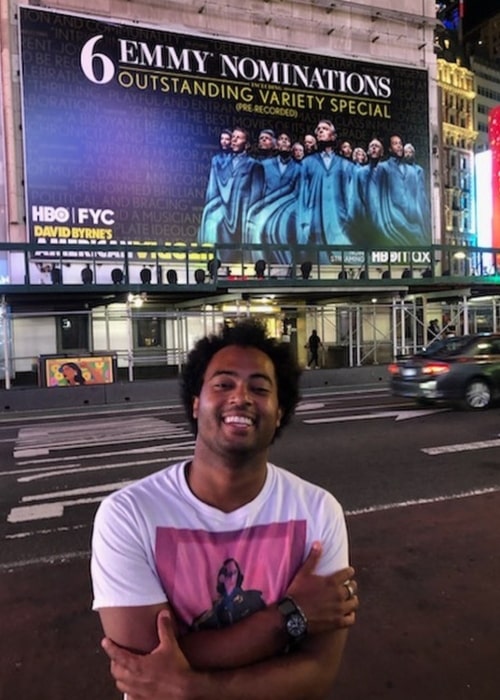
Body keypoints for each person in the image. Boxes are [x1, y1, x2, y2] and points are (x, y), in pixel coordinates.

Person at [91, 319, 358, 700]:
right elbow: (145, 663)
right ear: (196, 403)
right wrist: (291, 616)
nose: (241, 397)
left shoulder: (318, 511)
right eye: (223, 384)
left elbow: (316, 673)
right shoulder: (128, 514)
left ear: (279, 411)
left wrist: (190, 687)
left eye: (260, 388)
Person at [198, 127, 265, 261]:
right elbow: (213, 189)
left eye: (238, 138)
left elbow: (257, 196)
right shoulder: (220, 162)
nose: (233, 140)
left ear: (246, 145)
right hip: (223, 208)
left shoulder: (254, 165)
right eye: (233, 137)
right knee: (211, 223)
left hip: (243, 211)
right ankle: (214, 264)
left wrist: (251, 217)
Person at [298, 119, 353, 259]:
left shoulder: (345, 165)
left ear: (333, 136)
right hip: (314, 223)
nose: (320, 131)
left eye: (325, 129)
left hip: (339, 223)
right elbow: (302, 195)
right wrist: (304, 222)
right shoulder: (307, 163)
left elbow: (351, 195)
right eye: (318, 129)